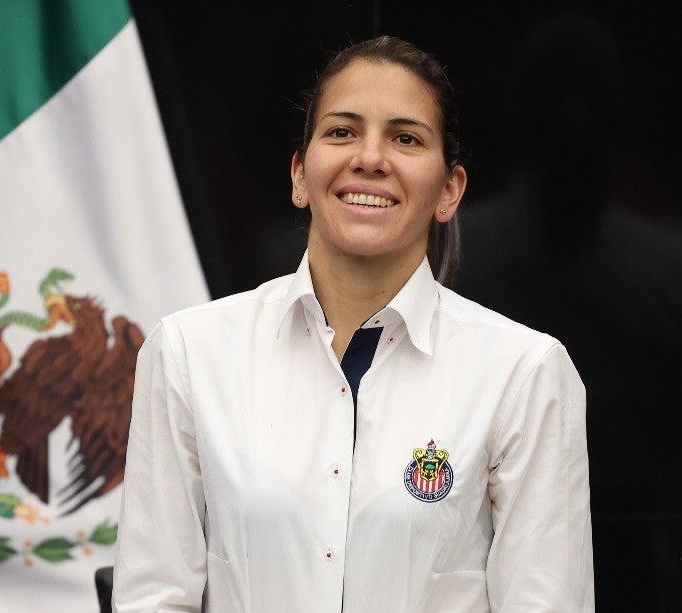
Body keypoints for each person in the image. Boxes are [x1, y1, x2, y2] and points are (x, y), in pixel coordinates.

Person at [111, 35, 594, 612]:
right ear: (298, 174)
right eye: (341, 131)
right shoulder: (190, 352)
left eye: (406, 138)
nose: (369, 158)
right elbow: (153, 597)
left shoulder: (524, 372)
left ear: (449, 190)